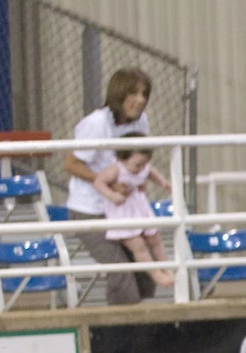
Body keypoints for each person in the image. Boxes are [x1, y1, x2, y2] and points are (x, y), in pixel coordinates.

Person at [62, 68, 155, 303]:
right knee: (121, 274)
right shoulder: (95, 124)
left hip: (122, 209)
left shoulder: (141, 122)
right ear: (119, 93)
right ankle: (120, 330)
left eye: (144, 94)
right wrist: (107, 184)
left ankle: (141, 328)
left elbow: (137, 162)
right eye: (133, 93)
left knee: (147, 272)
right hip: (91, 211)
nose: (140, 100)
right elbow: (71, 164)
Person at [96, 139, 174, 287]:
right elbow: (99, 183)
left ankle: (168, 269)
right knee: (138, 245)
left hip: (140, 207)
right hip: (122, 210)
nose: (141, 168)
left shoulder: (143, 168)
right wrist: (112, 196)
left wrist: (163, 183)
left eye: (144, 164)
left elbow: (151, 172)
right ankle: (156, 274)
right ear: (123, 158)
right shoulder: (116, 170)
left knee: (154, 239)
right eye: (137, 165)